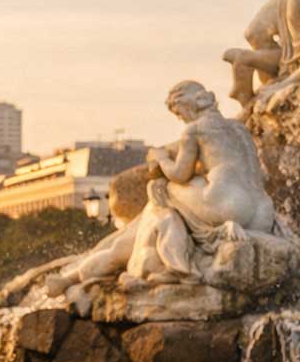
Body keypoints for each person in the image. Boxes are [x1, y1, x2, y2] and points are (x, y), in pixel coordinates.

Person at [46, 81, 276, 295]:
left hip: (226, 207)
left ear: (188, 105)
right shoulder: (239, 128)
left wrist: (161, 158)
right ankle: (76, 274)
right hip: (262, 212)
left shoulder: (194, 129)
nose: (181, 119)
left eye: (179, 113)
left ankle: (175, 263)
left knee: (160, 187)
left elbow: (179, 173)